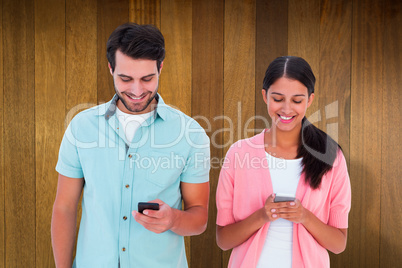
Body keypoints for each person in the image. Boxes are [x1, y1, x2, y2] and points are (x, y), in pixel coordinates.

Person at [51, 23, 210, 268]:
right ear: (110, 69)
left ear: (161, 68)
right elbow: (64, 207)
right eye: (125, 79)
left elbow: (199, 217)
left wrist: (173, 219)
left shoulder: (190, 134)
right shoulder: (81, 127)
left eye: (147, 78)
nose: (137, 91)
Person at [216, 56, 351, 268]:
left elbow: (339, 243)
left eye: (297, 100)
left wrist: (304, 216)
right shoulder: (239, 154)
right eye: (278, 99)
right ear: (265, 96)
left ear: (310, 99)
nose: (287, 109)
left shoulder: (331, 157)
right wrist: (261, 216)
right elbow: (223, 240)